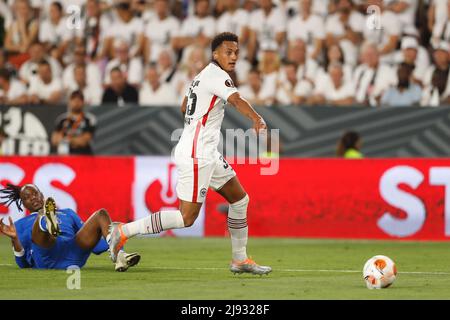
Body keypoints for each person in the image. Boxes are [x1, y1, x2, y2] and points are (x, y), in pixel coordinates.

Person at [108, 32, 272, 275]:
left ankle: (240, 260)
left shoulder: (202, 76)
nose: (234, 56)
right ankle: (122, 231)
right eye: (228, 52)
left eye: (236, 52)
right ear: (215, 54)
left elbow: (184, 105)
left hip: (206, 152)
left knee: (239, 199)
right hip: (198, 154)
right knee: (186, 217)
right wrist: (256, 118)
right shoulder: (217, 75)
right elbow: (236, 100)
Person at [0, 183, 140, 271]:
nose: (33, 198)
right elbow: (22, 264)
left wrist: (119, 234)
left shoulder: (68, 213)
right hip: (48, 256)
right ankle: (45, 222)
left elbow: (96, 247)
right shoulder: (20, 225)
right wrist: (14, 239)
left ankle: (120, 256)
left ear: (42, 195)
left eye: (35, 194)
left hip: (73, 252)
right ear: (23, 204)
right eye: (27, 197)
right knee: (41, 222)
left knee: (101, 214)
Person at [51, 90, 96, 155]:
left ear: (83, 102)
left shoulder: (89, 119)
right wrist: (75, 141)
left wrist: (66, 140)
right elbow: (54, 140)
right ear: (69, 102)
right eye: (73, 99)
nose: (76, 102)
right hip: (65, 155)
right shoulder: (62, 119)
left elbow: (84, 141)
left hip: (83, 156)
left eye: (79, 100)